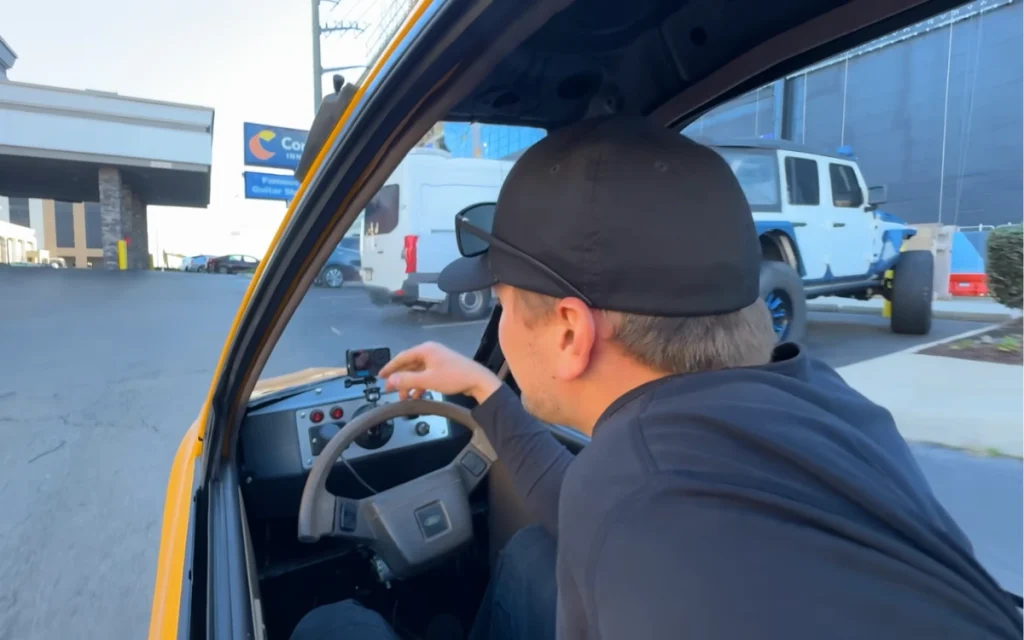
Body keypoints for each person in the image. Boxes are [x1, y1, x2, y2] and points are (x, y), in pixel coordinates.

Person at [291, 117, 1023, 639]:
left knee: (334, 624)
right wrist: (485, 391)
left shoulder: (656, 538)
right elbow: (585, 499)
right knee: (530, 556)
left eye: (506, 308)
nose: (502, 336)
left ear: (572, 333)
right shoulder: (824, 406)